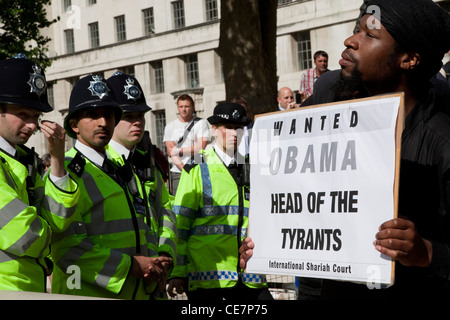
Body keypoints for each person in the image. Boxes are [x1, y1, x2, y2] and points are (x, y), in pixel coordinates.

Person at [241, 0, 450, 299]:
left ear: (408, 59)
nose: (350, 40)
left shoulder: (442, 145)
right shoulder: (326, 122)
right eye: (356, 29)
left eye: (370, 35)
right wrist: (263, 244)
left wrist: (426, 252)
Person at [51, 74, 172, 299]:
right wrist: (129, 266)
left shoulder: (120, 167)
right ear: (74, 125)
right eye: (93, 115)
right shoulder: (65, 172)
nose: (103, 122)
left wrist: (156, 262)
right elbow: (66, 249)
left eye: (108, 115)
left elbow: (145, 225)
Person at [167, 102, 272, 300]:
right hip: (208, 276)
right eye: (229, 128)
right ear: (214, 129)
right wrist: (178, 271)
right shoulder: (198, 166)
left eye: (239, 128)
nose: (235, 134)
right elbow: (180, 222)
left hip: (249, 273)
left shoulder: (252, 167)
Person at [0, 55, 80, 292]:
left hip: (26, 286)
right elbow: (22, 234)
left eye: (35, 116)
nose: (33, 125)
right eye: (23, 114)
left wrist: (57, 159)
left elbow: (60, 219)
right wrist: (53, 239)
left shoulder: (24, 159)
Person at [105, 71, 177, 298]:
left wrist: (165, 256)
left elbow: (165, 211)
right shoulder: (96, 164)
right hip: (118, 283)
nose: (137, 121)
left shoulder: (146, 159)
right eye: (128, 116)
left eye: (141, 115)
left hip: (153, 283)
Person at [163, 94, 210, 195]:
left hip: (198, 170)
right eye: (181, 106)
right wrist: (184, 170)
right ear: (178, 108)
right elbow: (171, 152)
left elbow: (200, 147)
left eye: (187, 106)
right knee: (178, 206)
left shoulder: (201, 123)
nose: (184, 109)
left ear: (193, 107)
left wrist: (180, 150)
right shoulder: (170, 126)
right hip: (178, 172)